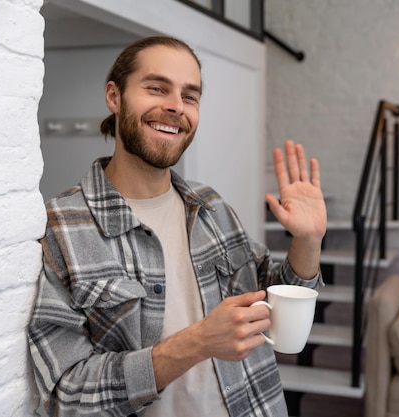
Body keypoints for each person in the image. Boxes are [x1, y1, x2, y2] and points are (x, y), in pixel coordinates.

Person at [28, 36, 326, 417]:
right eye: (156, 88)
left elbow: (277, 300)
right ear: (114, 97)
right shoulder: (61, 229)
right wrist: (195, 343)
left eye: (190, 96)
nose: (175, 106)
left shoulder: (211, 207)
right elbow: (63, 397)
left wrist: (308, 239)